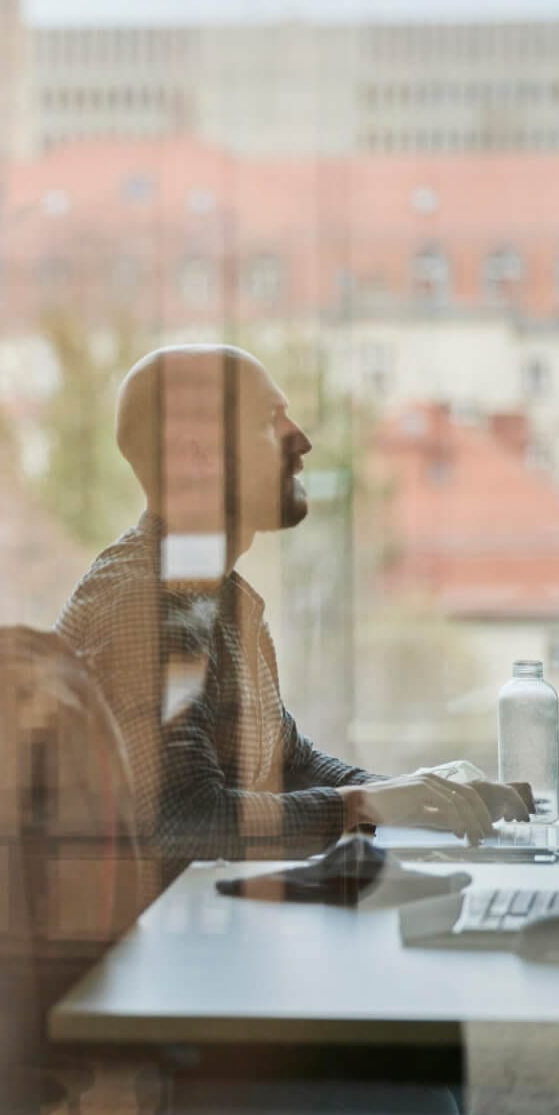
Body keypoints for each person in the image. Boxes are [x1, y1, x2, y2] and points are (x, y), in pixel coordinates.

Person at [56, 344, 527, 868]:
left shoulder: (215, 596)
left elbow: (291, 763)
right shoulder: (143, 605)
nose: (300, 441)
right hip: (157, 943)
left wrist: (424, 794)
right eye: (270, 420)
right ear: (195, 455)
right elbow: (185, 817)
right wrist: (367, 804)